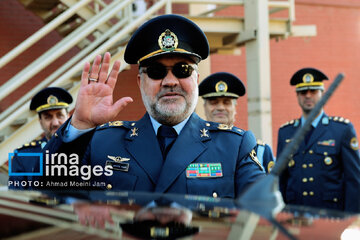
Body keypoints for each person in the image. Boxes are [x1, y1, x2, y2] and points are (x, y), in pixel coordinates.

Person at [44, 14, 264, 196]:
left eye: (182, 70)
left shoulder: (235, 146)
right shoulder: (101, 141)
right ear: (141, 82)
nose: (170, 81)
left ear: (196, 79)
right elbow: (46, 191)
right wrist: (81, 125)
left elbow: (263, 212)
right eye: (157, 71)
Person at [277, 67, 360, 212]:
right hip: (296, 217)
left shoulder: (342, 130)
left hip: (330, 215)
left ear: (322, 94)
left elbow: (354, 180)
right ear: (297, 96)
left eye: (313, 91)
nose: (308, 96)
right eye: (303, 92)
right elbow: (281, 181)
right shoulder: (286, 133)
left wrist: (351, 219)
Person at [199, 72, 275, 173]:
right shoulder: (192, 147)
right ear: (204, 107)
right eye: (214, 102)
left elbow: (268, 187)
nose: (220, 107)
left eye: (226, 102)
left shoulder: (259, 150)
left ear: (235, 108)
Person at [8, 87, 72, 189]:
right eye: (48, 117)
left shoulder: (86, 149)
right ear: (40, 121)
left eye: (60, 115)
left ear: (68, 117)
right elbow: (16, 199)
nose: (55, 123)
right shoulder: (22, 156)